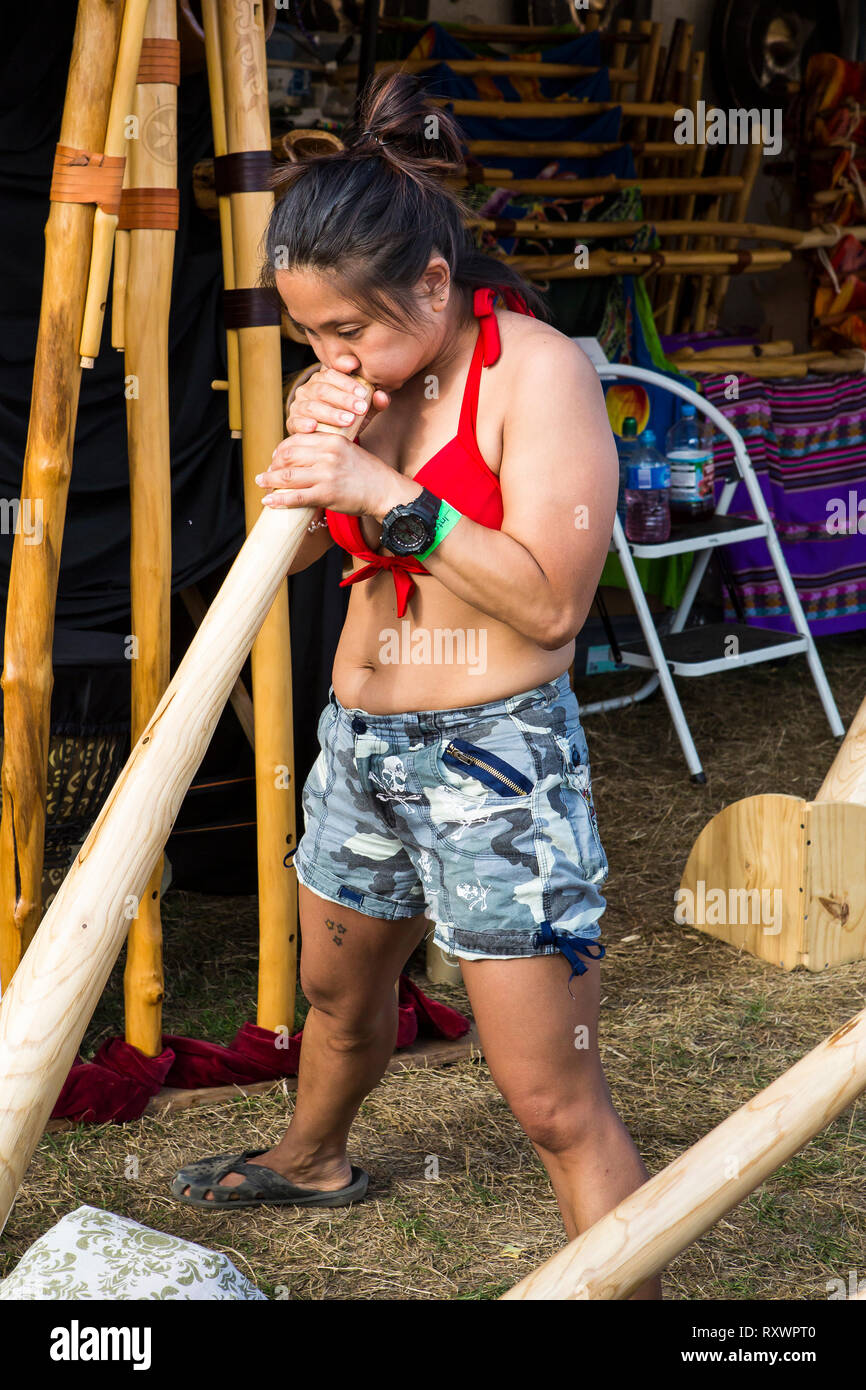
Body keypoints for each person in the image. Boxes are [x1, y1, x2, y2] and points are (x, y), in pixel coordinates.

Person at [173, 72, 661, 1300]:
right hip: (364, 749)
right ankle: (314, 1153)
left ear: (432, 285)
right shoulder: (358, 384)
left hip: (496, 761)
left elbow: (550, 604)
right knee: (334, 1002)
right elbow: (293, 545)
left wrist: (378, 490)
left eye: (349, 331)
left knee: (553, 1099)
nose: (333, 357)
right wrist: (313, 442)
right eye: (310, 338)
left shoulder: (539, 372)